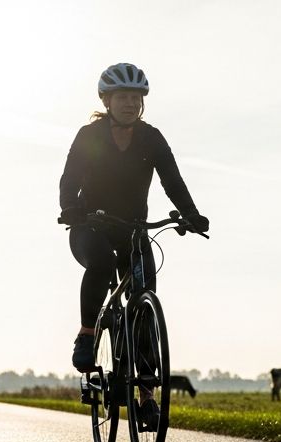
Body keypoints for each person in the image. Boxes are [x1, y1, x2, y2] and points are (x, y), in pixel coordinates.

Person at [59, 62, 209, 390]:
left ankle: (146, 395)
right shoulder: (90, 136)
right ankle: (87, 334)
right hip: (89, 225)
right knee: (101, 263)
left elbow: (173, 181)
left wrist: (191, 214)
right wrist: (70, 208)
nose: (130, 103)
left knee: (145, 298)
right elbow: (69, 179)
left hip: (133, 230)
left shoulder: (151, 138)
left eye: (136, 98)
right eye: (123, 97)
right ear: (107, 101)